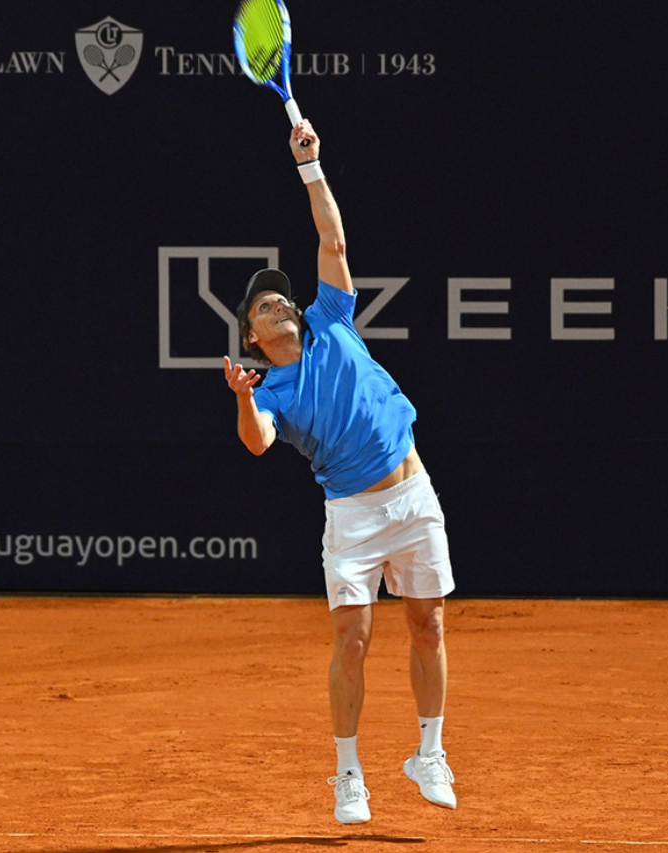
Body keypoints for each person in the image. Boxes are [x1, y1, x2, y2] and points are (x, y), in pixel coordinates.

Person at [222, 119, 457, 825]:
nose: (278, 303)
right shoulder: (267, 390)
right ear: (253, 338)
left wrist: (310, 166)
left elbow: (333, 240)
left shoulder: (332, 318)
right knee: (352, 639)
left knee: (428, 624)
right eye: (263, 306)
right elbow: (258, 444)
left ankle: (429, 752)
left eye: (279, 297)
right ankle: (348, 774)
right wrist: (240, 399)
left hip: (412, 494)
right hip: (351, 517)